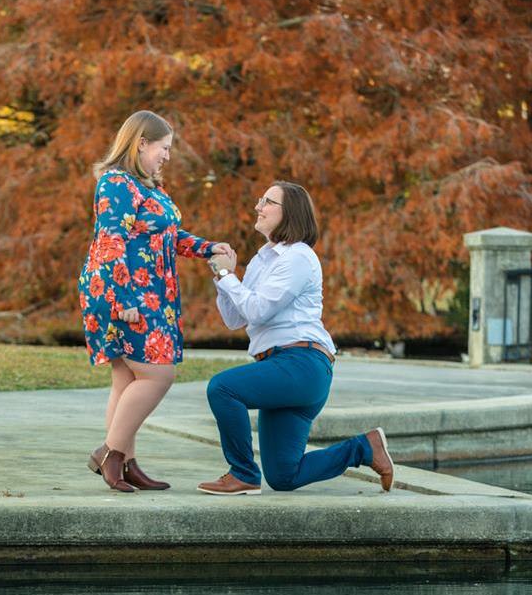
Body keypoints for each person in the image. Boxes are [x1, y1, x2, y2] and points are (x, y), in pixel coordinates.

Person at [196, 181, 395, 495]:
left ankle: (243, 473)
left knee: (222, 388)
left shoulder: (298, 257)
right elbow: (236, 319)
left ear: (289, 213)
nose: (258, 206)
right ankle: (364, 448)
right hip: (282, 368)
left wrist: (227, 276)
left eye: (268, 201)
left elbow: (258, 310)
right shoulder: (264, 260)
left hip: (302, 364)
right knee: (284, 475)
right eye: (260, 199)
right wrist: (222, 277)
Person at [79, 110, 230, 492]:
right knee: (159, 374)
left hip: (151, 295)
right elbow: (111, 240)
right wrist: (124, 298)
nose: (167, 155)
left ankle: (127, 463)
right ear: (141, 142)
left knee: (126, 378)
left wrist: (209, 248)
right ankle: (109, 454)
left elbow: (170, 236)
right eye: (163, 147)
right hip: (124, 293)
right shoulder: (116, 183)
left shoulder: (149, 187)